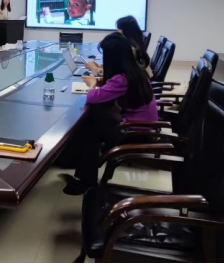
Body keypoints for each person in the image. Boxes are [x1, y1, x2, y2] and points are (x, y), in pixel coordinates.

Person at [63, 32, 157, 196]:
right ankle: (81, 165)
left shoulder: (122, 79)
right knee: (95, 115)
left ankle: (86, 179)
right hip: (142, 127)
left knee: (90, 122)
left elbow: (92, 97)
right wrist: (102, 81)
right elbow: (112, 87)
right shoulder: (135, 71)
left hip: (134, 132)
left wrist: (92, 84)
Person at [86, 16, 152, 78]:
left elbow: (116, 75)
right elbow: (118, 68)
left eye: (119, 29)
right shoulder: (134, 46)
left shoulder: (129, 50)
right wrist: (100, 67)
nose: (117, 31)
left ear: (126, 31)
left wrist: (95, 69)